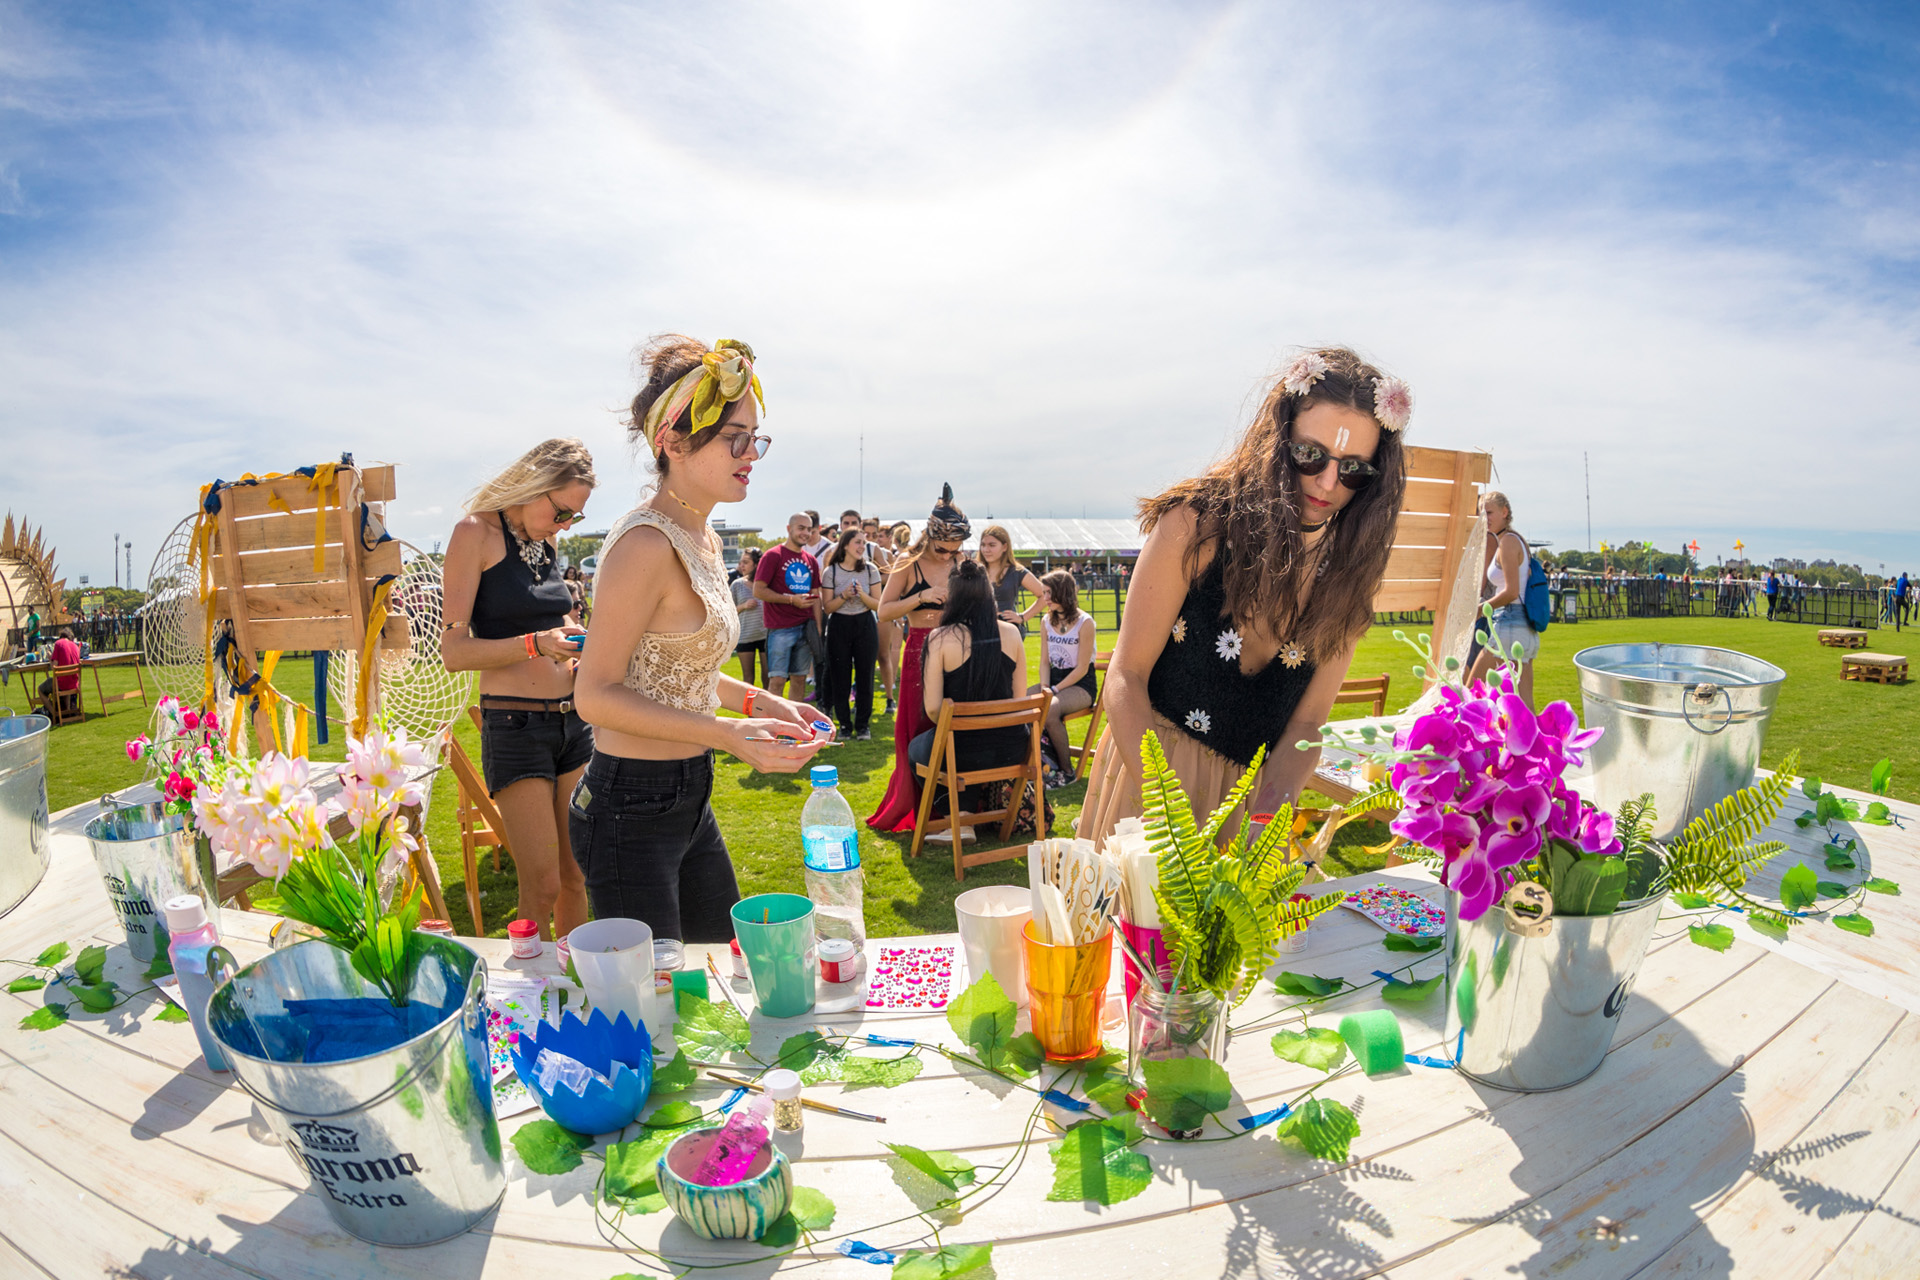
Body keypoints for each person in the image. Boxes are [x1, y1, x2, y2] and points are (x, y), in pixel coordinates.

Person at [1078, 347, 1412, 848]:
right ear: (1277, 441)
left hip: (1252, 808)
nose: (1327, 482)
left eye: (1353, 470)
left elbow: (1307, 722)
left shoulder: (1348, 578)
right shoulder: (1194, 526)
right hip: (1149, 782)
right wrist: (1164, 807)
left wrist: (1269, 816)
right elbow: (1126, 677)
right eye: (1309, 455)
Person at [571, 335, 827, 942]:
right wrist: (729, 734)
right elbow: (596, 694)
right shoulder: (645, 544)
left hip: (687, 797)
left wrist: (761, 702)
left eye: (755, 437)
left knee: (719, 974)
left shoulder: (705, 539)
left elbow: (676, 667)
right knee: (658, 1011)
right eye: (735, 438)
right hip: (628, 807)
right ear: (674, 442)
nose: (751, 454)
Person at [440, 438, 598, 939]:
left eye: (572, 518)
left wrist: (585, 638)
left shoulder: (543, 540)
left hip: (574, 723)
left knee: (577, 876)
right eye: (561, 511)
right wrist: (536, 644)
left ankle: (576, 993)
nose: (563, 526)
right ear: (535, 485)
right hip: (516, 724)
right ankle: (525, 1006)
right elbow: (454, 651)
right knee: (542, 883)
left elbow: (556, 615)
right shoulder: (475, 533)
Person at [868, 486, 969, 831]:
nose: (946, 556)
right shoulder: (907, 562)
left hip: (957, 649)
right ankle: (916, 805)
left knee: (953, 726)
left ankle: (956, 805)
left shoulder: (961, 561)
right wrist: (922, 596)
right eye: (942, 549)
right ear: (929, 536)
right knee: (916, 727)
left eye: (953, 550)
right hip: (920, 649)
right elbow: (884, 611)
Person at [912, 560, 1031, 839]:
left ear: (953, 597)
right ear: (989, 595)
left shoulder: (940, 638)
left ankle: (960, 819)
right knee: (957, 746)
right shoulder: (1012, 633)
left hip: (961, 750)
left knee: (918, 750)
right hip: (1012, 747)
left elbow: (932, 708)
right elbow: (1019, 698)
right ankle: (964, 820)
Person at [1466, 491, 1539, 706]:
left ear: (1504, 512)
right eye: (1481, 514)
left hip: (1508, 624)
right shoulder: (1517, 540)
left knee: (1471, 695)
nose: (1484, 519)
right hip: (1526, 629)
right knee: (1526, 706)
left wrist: (1481, 608)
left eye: (1489, 513)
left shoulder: (1507, 542)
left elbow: (1511, 591)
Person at [1032, 569, 1098, 785]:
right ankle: (1040, 766)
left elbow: (1081, 668)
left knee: (1050, 709)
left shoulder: (1085, 622)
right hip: (1053, 681)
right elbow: (1043, 661)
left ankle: (1067, 772)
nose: (1046, 598)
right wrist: (1044, 686)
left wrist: (1055, 690)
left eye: (1049, 593)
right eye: (1044, 593)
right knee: (1022, 703)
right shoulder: (1045, 621)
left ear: (1063, 592)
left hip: (1080, 684)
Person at [821, 527, 884, 739]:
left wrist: (862, 595)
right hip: (839, 625)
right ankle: (845, 726)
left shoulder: (870, 570)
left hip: (865, 623)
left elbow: (878, 605)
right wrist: (845, 595)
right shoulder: (831, 572)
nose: (861, 547)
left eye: (863, 542)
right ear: (845, 545)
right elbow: (828, 607)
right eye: (857, 542)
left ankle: (863, 726)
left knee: (865, 675)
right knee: (840, 677)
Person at [754, 513, 823, 703]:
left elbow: (816, 596)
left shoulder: (811, 560)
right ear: (789, 529)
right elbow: (758, 590)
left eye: (809, 529)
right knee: (776, 681)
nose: (806, 533)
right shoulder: (773, 555)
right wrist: (791, 600)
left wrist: (818, 628)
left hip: (806, 627)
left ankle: (793, 727)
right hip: (780, 628)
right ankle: (772, 725)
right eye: (801, 528)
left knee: (799, 679)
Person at [978, 524, 1047, 635]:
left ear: (1004, 547)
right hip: (981, 631)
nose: (986, 550)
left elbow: (1044, 595)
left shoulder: (1016, 571)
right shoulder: (975, 570)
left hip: (1009, 632)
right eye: (983, 545)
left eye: (992, 545)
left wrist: (1022, 617)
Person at [732, 546, 768, 688]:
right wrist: (743, 606)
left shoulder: (766, 584)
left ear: (757, 564)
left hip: (765, 635)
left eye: (746, 562)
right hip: (745, 637)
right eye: (741, 562)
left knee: (767, 676)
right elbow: (729, 612)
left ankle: (769, 709)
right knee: (748, 679)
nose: (741, 566)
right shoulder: (737, 585)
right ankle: (747, 710)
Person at [36, 627, 82, 715]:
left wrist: (50, 658)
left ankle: (54, 714)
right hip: (75, 683)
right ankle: (67, 712)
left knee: (40, 689)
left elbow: (54, 667)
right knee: (65, 679)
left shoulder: (58, 644)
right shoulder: (75, 646)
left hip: (62, 684)